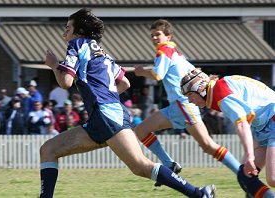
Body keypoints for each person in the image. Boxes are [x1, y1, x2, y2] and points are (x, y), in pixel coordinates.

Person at [41, 8, 216, 198]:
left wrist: (53, 65)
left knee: (140, 165)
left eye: (68, 27)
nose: (64, 31)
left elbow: (65, 82)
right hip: (106, 115)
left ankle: (199, 194)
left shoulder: (77, 44)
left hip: (105, 115)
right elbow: (125, 83)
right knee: (48, 150)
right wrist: (105, 96)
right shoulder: (103, 54)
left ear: (79, 30)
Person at [134, 19, 241, 187]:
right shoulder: (175, 53)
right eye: (152, 35)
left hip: (183, 104)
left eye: (158, 35)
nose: (154, 38)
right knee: (141, 130)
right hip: (178, 105)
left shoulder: (164, 51)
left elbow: (157, 75)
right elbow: (194, 72)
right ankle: (169, 164)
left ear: (168, 36)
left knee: (207, 145)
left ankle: (242, 174)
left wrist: (140, 72)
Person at [181, 68, 275, 198]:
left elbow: (242, 123)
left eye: (189, 95)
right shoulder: (219, 88)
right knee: (246, 176)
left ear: (200, 88)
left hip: (271, 121)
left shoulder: (221, 94)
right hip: (265, 124)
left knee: (272, 178)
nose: (190, 101)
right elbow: (249, 117)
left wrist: (249, 155)